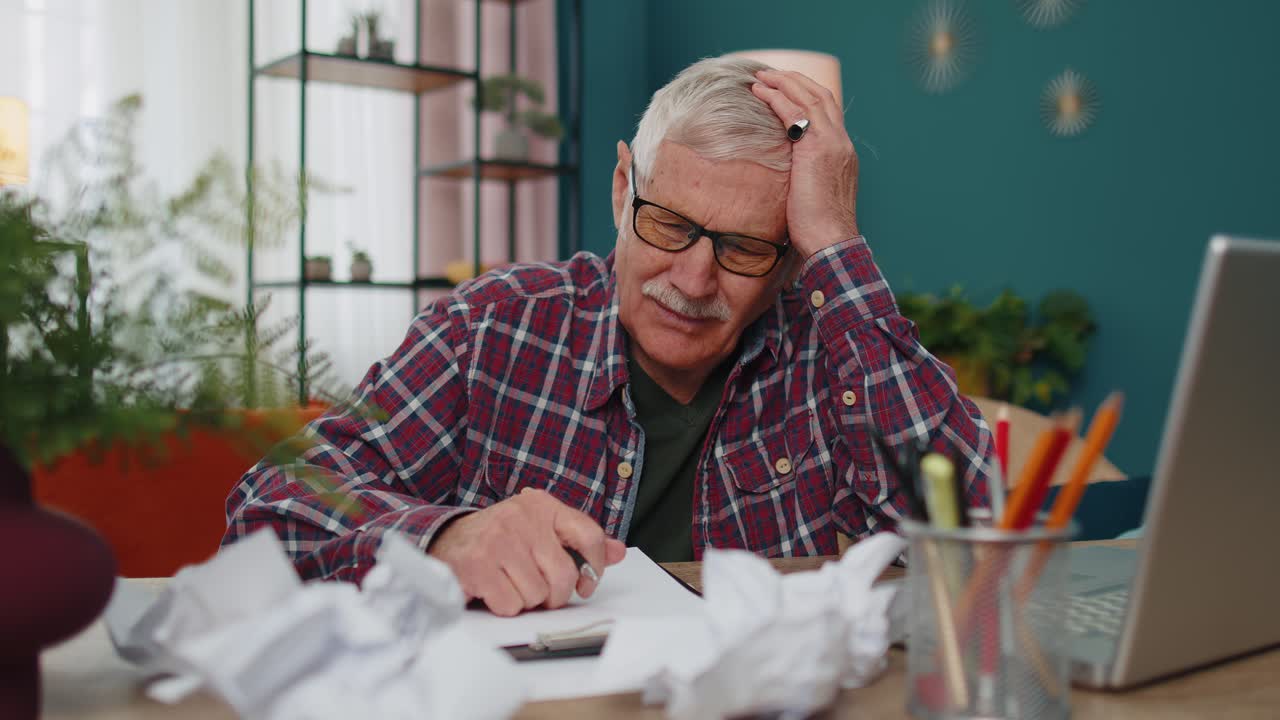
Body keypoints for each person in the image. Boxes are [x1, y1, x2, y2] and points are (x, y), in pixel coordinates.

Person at [224, 56, 993, 617]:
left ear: (790, 262)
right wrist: (442, 538)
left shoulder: (834, 351)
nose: (692, 282)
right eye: (668, 225)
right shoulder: (493, 326)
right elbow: (268, 509)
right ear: (624, 189)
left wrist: (835, 243)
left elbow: (970, 530)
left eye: (745, 249)